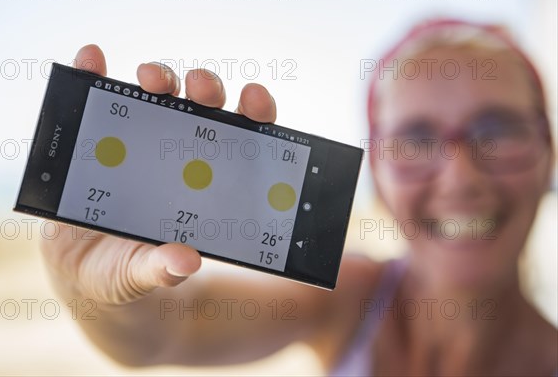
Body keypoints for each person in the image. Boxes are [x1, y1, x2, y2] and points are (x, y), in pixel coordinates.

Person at [40, 19, 557, 376]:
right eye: (416, 140)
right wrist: (93, 291)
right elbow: (167, 334)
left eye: (499, 131)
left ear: (549, 153)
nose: (460, 175)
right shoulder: (352, 298)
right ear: (376, 172)